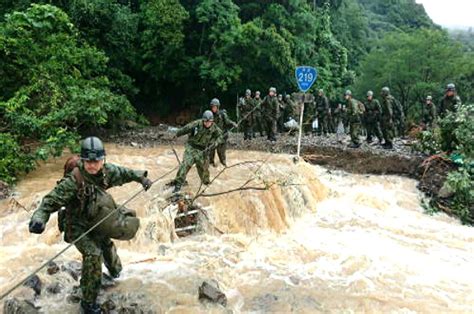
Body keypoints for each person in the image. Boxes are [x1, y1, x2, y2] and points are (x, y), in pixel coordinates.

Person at [28, 137, 152, 313]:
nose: (93, 165)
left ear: (103, 160)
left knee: (107, 245)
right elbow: (49, 201)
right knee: (93, 255)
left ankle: (116, 273)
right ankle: (88, 302)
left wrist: (142, 178)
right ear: (83, 161)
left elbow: (125, 173)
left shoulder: (107, 172)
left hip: (95, 218)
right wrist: (39, 219)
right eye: (88, 162)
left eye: (96, 161)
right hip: (76, 225)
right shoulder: (73, 181)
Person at [172, 110, 223, 193]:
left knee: (204, 170)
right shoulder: (197, 124)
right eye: (206, 121)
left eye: (209, 122)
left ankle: (206, 186)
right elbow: (186, 128)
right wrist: (177, 134)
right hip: (191, 147)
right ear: (203, 120)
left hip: (203, 150)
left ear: (212, 121)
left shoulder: (214, 128)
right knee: (185, 165)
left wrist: (215, 143)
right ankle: (177, 186)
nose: (207, 123)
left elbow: (220, 136)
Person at [209, 98, 237, 167]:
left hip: (222, 135)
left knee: (221, 151)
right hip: (214, 136)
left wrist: (233, 123)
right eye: (212, 107)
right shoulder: (210, 115)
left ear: (218, 107)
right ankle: (211, 162)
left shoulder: (222, 114)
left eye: (215, 107)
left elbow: (228, 121)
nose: (213, 108)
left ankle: (223, 162)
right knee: (211, 149)